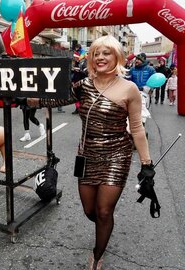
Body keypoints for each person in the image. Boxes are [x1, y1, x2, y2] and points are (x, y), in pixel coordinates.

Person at [27, 35, 153, 270]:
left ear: (117, 56)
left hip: (117, 155)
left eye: (106, 53)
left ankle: (97, 255)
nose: (101, 57)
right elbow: (59, 99)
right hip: (86, 154)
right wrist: (30, 99)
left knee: (104, 211)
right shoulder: (84, 85)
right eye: (96, 53)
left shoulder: (130, 89)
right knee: (89, 211)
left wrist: (147, 163)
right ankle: (104, 227)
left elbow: (136, 128)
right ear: (91, 59)